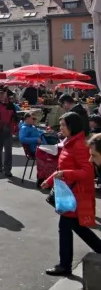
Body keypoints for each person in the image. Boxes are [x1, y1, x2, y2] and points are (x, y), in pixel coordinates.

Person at [43, 114, 101, 276]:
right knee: (77, 227)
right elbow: (61, 167)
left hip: (75, 195)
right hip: (70, 193)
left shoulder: (78, 145)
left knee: (66, 227)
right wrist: (49, 180)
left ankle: (64, 265)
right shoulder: (70, 142)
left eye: (63, 125)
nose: (60, 128)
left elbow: (87, 172)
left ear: (72, 126)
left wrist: (65, 174)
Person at [0, 87, 19, 177]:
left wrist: (15, 129)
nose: (1, 95)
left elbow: (15, 118)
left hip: (8, 131)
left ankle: (7, 170)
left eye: (3, 93)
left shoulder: (11, 105)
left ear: (6, 94)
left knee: (8, 151)